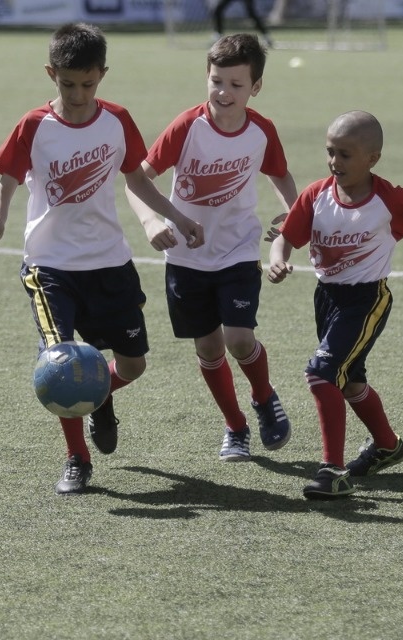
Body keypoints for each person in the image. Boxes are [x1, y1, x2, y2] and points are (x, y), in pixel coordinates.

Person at [0, 23, 204, 495]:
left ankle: (97, 396)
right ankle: (77, 460)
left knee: (134, 364)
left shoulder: (117, 120)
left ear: (102, 74)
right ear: (51, 74)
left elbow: (137, 181)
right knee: (60, 362)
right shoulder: (34, 125)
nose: (78, 94)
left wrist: (176, 217)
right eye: (67, 84)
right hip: (49, 265)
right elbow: (7, 181)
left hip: (108, 262)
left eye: (88, 83)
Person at [268, 110, 403, 499]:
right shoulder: (316, 195)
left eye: (345, 154)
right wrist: (277, 257)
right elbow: (286, 234)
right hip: (327, 298)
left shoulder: (387, 199)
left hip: (367, 300)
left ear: (372, 159)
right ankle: (387, 445)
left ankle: (332, 470)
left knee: (321, 374)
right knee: (349, 381)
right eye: (330, 152)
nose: (335, 162)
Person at [127, 34, 297, 462]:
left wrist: (294, 215)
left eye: (236, 85)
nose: (224, 92)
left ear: (255, 88)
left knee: (240, 338)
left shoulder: (261, 131)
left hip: (238, 249)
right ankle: (235, 425)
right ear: (207, 76)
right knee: (207, 347)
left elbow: (280, 174)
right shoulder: (187, 126)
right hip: (185, 257)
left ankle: (263, 397)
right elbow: (137, 177)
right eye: (217, 81)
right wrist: (151, 222)